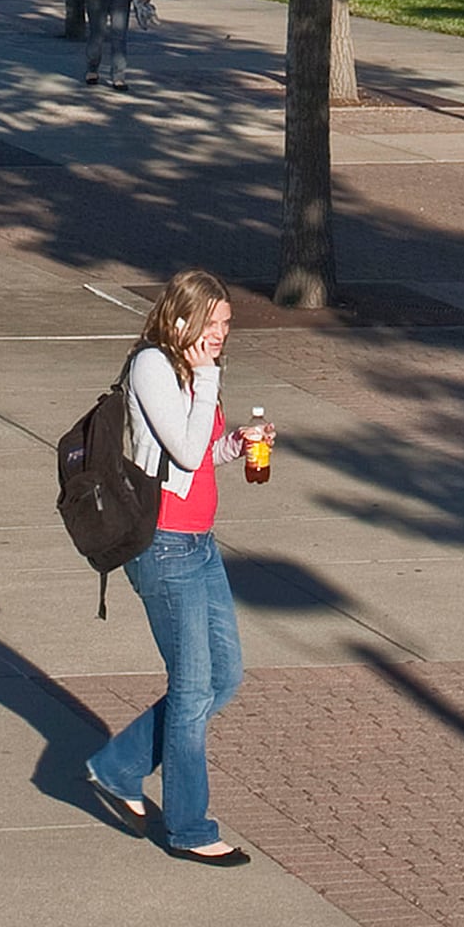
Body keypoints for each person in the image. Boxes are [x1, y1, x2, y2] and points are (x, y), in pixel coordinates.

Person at [81, 268, 266, 864]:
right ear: (181, 318)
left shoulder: (195, 368)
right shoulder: (154, 366)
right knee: (190, 691)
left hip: (200, 543)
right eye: (212, 324)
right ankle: (190, 829)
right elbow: (182, 450)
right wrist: (207, 375)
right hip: (162, 546)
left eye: (227, 325)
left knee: (225, 677)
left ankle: (118, 765)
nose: (220, 336)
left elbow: (195, 458)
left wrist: (235, 446)